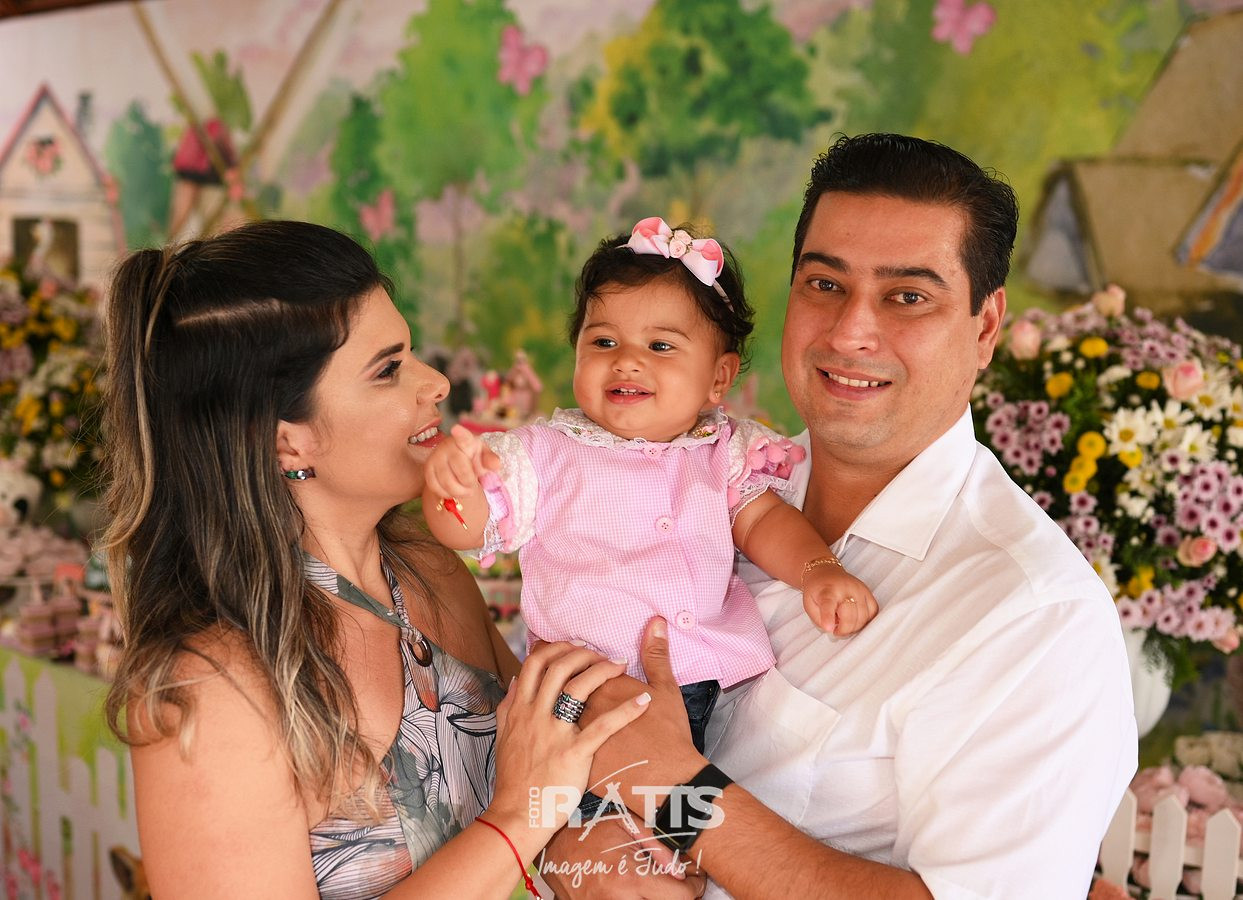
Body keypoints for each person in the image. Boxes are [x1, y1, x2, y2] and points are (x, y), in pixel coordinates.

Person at [541, 134, 1138, 899]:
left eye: (907, 296)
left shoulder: (1033, 616)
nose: (850, 331)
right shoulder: (697, 485)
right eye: (824, 284)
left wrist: (674, 793)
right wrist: (572, 840)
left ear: (985, 327)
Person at [99, 220, 655, 898]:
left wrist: (598, 846)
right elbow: (529, 799)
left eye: (411, 353)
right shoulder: (210, 688)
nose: (436, 383)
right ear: (286, 443)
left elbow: (556, 764)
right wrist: (517, 823)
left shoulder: (427, 568)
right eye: (388, 370)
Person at [422, 216, 879, 761]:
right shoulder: (545, 454)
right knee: (593, 806)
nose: (627, 360)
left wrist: (817, 570)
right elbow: (468, 528)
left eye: (660, 346)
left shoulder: (722, 453)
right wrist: (453, 488)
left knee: (677, 804)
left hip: (697, 688)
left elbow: (762, 522)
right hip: (580, 696)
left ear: (718, 378)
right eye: (604, 341)